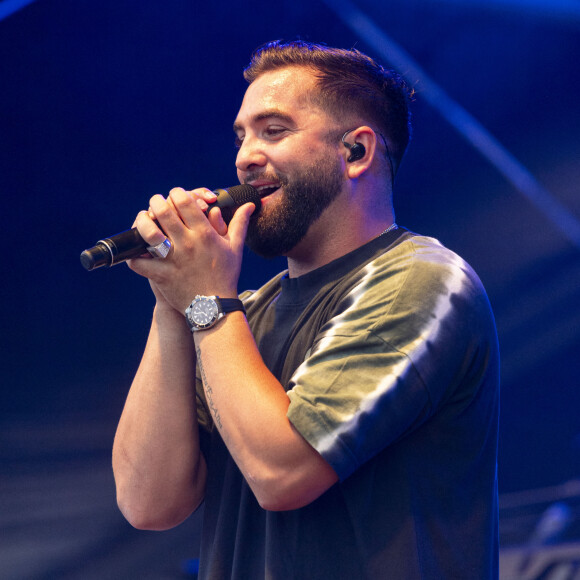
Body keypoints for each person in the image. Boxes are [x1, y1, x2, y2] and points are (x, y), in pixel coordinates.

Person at [112, 40, 500, 579]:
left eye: (274, 130)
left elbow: (283, 474)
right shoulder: (236, 316)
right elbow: (148, 502)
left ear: (356, 152)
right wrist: (171, 301)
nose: (244, 155)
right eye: (241, 136)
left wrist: (203, 300)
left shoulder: (422, 280)